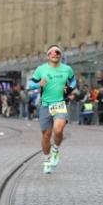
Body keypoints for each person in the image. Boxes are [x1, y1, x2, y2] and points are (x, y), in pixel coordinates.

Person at [32, 45, 77, 174]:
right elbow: (30, 84)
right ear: (48, 55)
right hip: (45, 105)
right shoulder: (41, 69)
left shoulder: (67, 69)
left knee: (58, 129)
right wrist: (37, 84)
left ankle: (56, 149)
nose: (55, 54)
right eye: (52, 52)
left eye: (57, 52)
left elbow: (73, 81)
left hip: (60, 103)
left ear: (60, 55)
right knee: (46, 135)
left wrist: (69, 89)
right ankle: (46, 161)